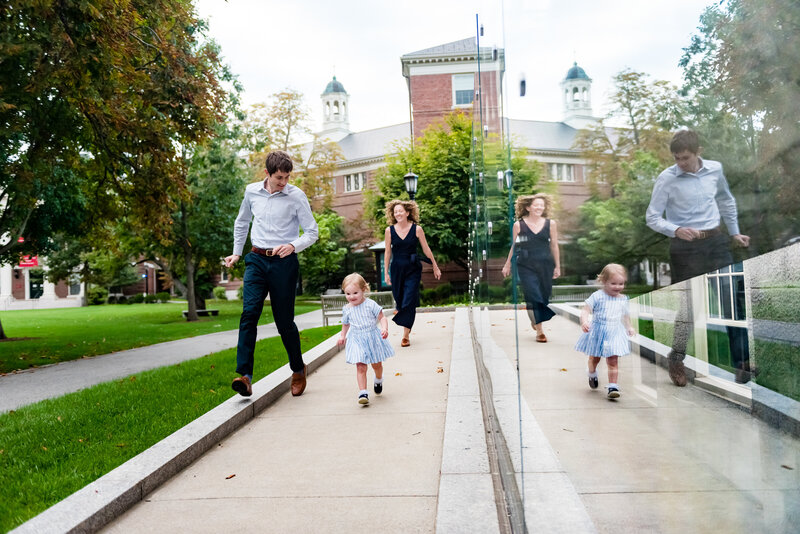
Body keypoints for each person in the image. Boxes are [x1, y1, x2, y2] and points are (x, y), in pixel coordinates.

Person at [646, 129, 751, 386]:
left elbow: (726, 200)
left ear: (698, 152)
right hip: (685, 249)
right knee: (690, 306)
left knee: (731, 300)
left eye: (685, 158)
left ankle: (742, 363)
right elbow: (652, 217)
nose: (680, 163)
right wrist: (676, 230)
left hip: (716, 243)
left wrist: (735, 232)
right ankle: (676, 358)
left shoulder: (715, 169)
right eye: (676, 158)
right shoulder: (667, 178)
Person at [224, 150, 319, 398]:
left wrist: (292, 246)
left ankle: (298, 369)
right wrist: (236, 253)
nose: (284, 182)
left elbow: (311, 232)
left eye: (287, 177)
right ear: (267, 173)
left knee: (284, 322)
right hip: (256, 259)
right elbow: (242, 222)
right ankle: (244, 376)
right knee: (249, 313)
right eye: (279, 177)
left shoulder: (296, 196)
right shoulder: (251, 191)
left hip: (283, 262)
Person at [501, 194, 561, 342]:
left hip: (545, 264)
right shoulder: (518, 225)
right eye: (536, 205)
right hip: (526, 265)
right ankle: (540, 331)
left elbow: (554, 245)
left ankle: (535, 318)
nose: (539, 207)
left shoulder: (550, 224)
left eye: (542, 205)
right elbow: (514, 246)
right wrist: (507, 263)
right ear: (528, 207)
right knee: (533, 295)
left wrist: (557, 266)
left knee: (544, 295)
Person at [383, 200, 441, 347]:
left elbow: (426, 249)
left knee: (409, 299)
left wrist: (435, 265)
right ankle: (404, 321)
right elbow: (387, 252)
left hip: (413, 268)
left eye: (400, 211)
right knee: (400, 299)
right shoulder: (389, 231)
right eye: (395, 212)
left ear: (407, 213)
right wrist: (386, 273)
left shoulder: (417, 229)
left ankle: (406, 335)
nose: (398, 214)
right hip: (397, 269)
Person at [574, 264, 636, 399]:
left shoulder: (623, 299)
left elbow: (625, 316)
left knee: (613, 361)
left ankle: (613, 386)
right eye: (613, 283)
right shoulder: (597, 296)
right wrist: (584, 321)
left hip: (614, 332)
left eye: (621, 283)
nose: (618, 287)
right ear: (603, 281)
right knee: (594, 358)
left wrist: (629, 327)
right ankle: (592, 373)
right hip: (598, 331)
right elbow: (585, 310)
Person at [337, 273, 395, 405]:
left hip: (372, 337)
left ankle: (378, 379)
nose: (351, 297)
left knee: (376, 365)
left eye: (355, 293)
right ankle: (363, 392)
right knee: (361, 366)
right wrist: (342, 336)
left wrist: (384, 328)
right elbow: (345, 324)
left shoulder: (370, 304)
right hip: (356, 339)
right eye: (348, 293)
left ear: (363, 290)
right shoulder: (347, 309)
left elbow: (382, 317)